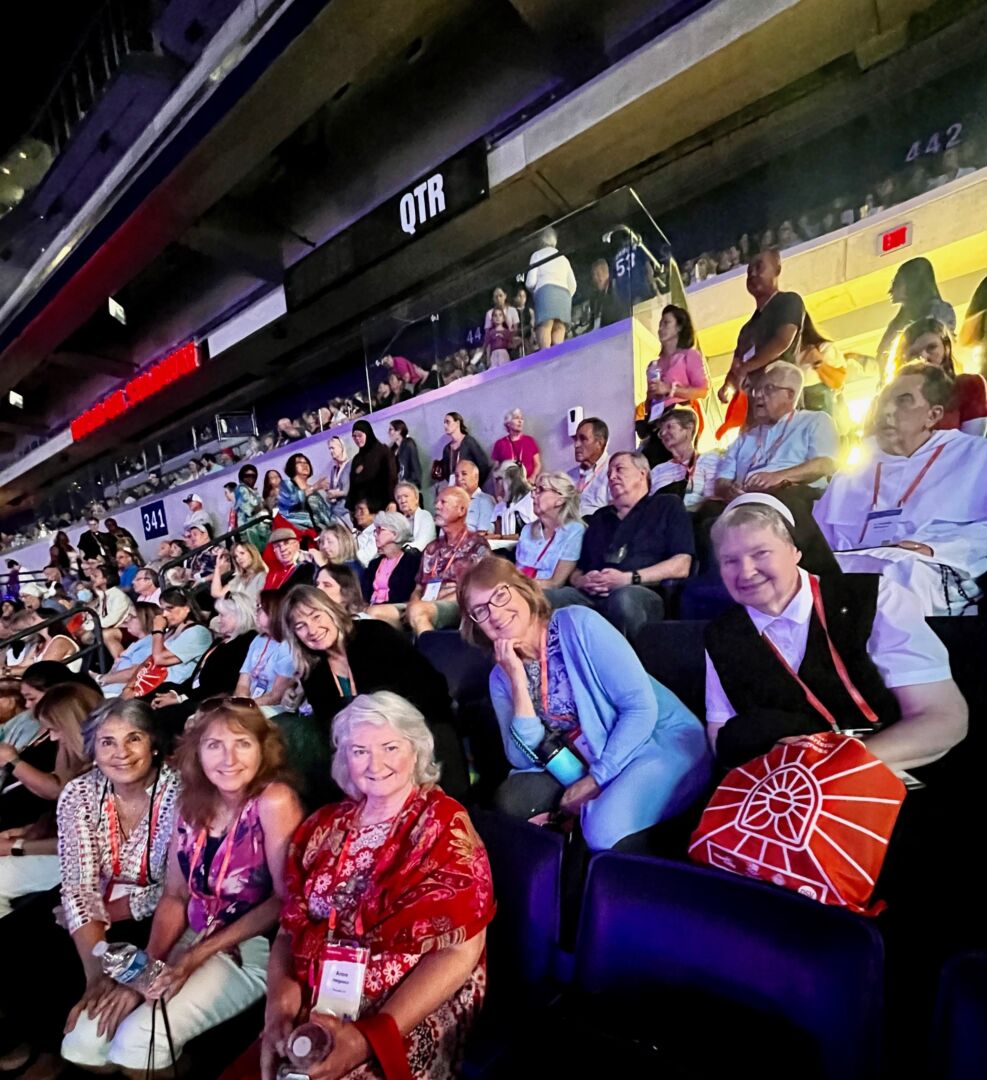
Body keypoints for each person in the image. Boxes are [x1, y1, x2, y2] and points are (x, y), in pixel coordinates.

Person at [228, 692, 493, 1080]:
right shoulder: (322, 827)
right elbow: (290, 928)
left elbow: (459, 951)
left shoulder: (443, 825)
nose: (376, 764)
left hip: (409, 1005)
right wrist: (278, 1005)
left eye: (390, 747)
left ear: (415, 752)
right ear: (345, 760)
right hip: (320, 996)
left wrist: (371, 1037)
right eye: (359, 751)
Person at [61, 698, 303, 1073]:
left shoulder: (273, 801)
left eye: (242, 743)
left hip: (247, 946)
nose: (229, 759)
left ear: (261, 749)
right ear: (197, 753)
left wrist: (193, 957)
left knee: (136, 1041)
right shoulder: (189, 803)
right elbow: (175, 895)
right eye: (214, 745)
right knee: (84, 1041)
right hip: (189, 932)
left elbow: (282, 900)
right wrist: (145, 972)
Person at [704, 495, 967, 772]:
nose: (745, 572)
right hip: (791, 788)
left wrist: (830, 767)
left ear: (795, 552)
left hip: (896, 772)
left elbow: (942, 719)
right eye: (730, 560)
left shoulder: (876, 598)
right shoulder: (722, 634)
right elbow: (721, 733)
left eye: (761, 553)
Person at [460, 559, 710, 850]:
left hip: (653, 741)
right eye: (480, 610)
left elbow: (640, 708)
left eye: (500, 595)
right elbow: (522, 757)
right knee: (515, 799)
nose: (495, 613)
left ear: (523, 589)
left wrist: (596, 780)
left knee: (601, 830)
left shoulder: (578, 624)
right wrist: (516, 678)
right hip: (586, 760)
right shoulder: (500, 677)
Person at [0, 700, 178, 1076]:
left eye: (134, 739)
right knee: (16, 939)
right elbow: (78, 883)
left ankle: (65, 1053)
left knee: (67, 959)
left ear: (154, 744)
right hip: (95, 896)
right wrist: (94, 969)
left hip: (156, 910)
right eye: (107, 742)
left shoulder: (178, 791)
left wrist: (111, 914)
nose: (121, 753)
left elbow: (175, 888)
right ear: (93, 749)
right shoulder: (79, 793)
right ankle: (39, 1043)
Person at [814, 363, 987, 616]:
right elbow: (819, 540)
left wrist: (936, 549)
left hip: (931, 567)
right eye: (883, 401)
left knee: (899, 575)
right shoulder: (853, 469)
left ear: (933, 415)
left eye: (904, 401)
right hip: (853, 566)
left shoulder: (975, 455)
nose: (887, 410)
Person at [280, 587, 469, 801]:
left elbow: (432, 690)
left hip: (419, 730)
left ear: (331, 611)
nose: (312, 629)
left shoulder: (375, 634)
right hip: (366, 751)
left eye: (316, 616)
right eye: (301, 626)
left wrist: (395, 738)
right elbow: (331, 729)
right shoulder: (312, 671)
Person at [552, 451, 694, 639]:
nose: (611, 476)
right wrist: (582, 581)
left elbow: (682, 564)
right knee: (546, 599)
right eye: (609, 473)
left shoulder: (666, 505)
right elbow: (577, 571)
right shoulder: (599, 517)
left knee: (623, 599)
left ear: (642, 474)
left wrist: (628, 578)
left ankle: (624, 666)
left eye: (619, 469)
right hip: (591, 594)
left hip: (641, 591)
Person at [713, 361, 839, 499]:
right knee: (708, 510)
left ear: (790, 394)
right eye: (756, 390)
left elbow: (825, 464)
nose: (758, 395)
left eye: (768, 389)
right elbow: (722, 480)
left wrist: (778, 477)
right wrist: (729, 490)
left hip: (791, 495)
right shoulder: (744, 438)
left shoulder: (814, 420)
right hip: (746, 499)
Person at [716, 249, 806, 427]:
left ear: (777, 270)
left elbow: (782, 341)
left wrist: (747, 366)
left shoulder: (789, 301)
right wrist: (727, 386)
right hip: (754, 413)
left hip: (781, 402)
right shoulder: (746, 329)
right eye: (749, 272)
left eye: (759, 267)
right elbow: (736, 368)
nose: (753, 274)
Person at [149, 592, 258, 736]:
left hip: (213, 699)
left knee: (169, 713)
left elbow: (221, 684)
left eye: (223, 616)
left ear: (239, 616)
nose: (218, 620)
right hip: (195, 692)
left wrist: (180, 698)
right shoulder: (220, 641)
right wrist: (175, 693)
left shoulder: (245, 642)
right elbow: (196, 675)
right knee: (160, 691)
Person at [0, 681, 100, 832]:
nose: (52, 738)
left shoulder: (105, 767)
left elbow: (57, 791)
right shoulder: (66, 747)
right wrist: (27, 832)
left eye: (55, 729)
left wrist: (18, 847)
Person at [405, 487, 492, 635]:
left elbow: (478, 588)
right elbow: (419, 588)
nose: (437, 506)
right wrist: (414, 602)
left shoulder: (477, 544)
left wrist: (424, 604)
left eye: (443, 502)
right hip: (424, 602)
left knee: (417, 611)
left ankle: (433, 657)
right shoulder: (431, 548)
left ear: (461, 510)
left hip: (458, 604)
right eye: (436, 502)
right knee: (377, 613)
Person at [894, 317, 987, 436]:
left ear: (946, 348)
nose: (923, 357)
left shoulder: (967, 385)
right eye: (914, 353)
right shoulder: (892, 400)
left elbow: (972, 442)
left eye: (931, 347)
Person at [876, 256, 957, 370]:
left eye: (896, 283)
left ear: (912, 283)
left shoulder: (939, 311)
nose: (890, 290)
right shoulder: (897, 323)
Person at [643, 305, 710, 433]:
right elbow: (648, 404)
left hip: (680, 416)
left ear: (679, 328)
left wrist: (670, 389)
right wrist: (650, 396)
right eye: (660, 324)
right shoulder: (653, 365)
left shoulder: (690, 355)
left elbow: (702, 390)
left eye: (666, 323)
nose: (660, 329)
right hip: (657, 421)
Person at [515, 472, 585, 587]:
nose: (532, 495)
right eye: (534, 489)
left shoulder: (574, 531)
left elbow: (556, 583)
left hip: (546, 594)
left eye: (541, 490)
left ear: (560, 499)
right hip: (519, 588)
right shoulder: (527, 530)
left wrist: (519, 585)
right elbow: (517, 571)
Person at [234, 591, 295, 715]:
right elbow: (243, 682)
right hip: (249, 703)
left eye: (259, 607)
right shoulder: (258, 640)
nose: (255, 612)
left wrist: (248, 705)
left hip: (273, 709)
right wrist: (241, 701)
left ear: (274, 611)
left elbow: (276, 696)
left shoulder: (288, 647)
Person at [649, 408, 719, 508]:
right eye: (661, 432)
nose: (663, 434)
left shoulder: (709, 460)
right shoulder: (657, 470)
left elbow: (712, 501)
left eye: (669, 427)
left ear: (689, 428)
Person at [526, 226, 577, 350]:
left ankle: (546, 360)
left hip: (545, 293)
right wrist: (565, 294)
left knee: (545, 328)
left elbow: (530, 282)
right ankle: (557, 361)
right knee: (559, 330)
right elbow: (573, 285)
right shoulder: (563, 258)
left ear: (540, 241)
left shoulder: (537, 255)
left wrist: (536, 292)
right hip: (564, 296)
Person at [98, 603, 161, 697]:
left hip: (118, 695)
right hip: (108, 691)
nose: (126, 620)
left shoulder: (149, 643)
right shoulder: (138, 644)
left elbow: (136, 672)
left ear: (145, 619)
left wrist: (100, 679)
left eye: (131, 616)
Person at [363, 511, 422, 610]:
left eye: (380, 530)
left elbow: (405, 595)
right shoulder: (374, 564)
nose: (375, 535)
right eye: (375, 531)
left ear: (395, 534)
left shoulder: (411, 562)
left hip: (397, 611)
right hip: (371, 611)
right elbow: (365, 596)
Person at [347, 420, 398, 515]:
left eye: (360, 435)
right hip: (363, 511)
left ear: (367, 434)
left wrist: (392, 501)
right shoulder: (357, 459)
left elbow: (391, 477)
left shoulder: (383, 451)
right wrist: (351, 508)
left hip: (382, 507)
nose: (357, 439)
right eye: (354, 436)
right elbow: (353, 486)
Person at [90, 563, 136, 660]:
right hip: (117, 627)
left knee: (106, 633)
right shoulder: (104, 596)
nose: (92, 578)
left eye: (96, 576)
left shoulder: (118, 596)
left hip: (130, 628)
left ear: (105, 580)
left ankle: (121, 662)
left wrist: (90, 625)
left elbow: (109, 621)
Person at [279, 453, 333, 532]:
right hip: (297, 535)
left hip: (317, 535)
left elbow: (325, 515)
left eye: (306, 463)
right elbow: (291, 501)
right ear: (291, 466)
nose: (304, 465)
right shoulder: (285, 485)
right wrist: (313, 488)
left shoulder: (315, 492)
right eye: (299, 463)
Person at [568, 417, 610, 517]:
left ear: (599, 443)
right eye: (575, 439)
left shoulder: (614, 470)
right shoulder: (569, 476)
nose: (576, 445)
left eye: (583, 439)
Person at [437, 412, 491, 486]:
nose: (445, 425)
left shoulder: (469, 441)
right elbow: (447, 473)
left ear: (457, 423)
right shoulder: (447, 449)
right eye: (444, 423)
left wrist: (475, 484)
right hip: (455, 489)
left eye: (448, 422)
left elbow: (483, 464)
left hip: (470, 488)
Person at [491, 407, 542, 482]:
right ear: (508, 423)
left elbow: (537, 464)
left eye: (522, 418)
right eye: (516, 418)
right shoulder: (500, 444)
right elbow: (496, 470)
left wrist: (533, 477)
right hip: (509, 487)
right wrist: (498, 490)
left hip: (528, 485)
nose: (520, 421)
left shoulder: (529, 441)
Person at [212, 540, 268, 607]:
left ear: (252, 553)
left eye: (242, 553)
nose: (239, 558)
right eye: (236, 556)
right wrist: (218, 567)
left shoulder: (262, 575)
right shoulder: (239, 578)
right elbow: (217, 593)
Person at [490, 461, 536, 539]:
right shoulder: (501, 506)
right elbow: (493, 530)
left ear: (510, 480)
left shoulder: (532, 500)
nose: (496, 484)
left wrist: (501, 537)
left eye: (499, 479)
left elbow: (531, 534)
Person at [265, 527, 319, 593]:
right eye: (277, 546)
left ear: (297, 544)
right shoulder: (273, 574)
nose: (282, 549)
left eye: (286, 543)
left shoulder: (309, 565)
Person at [233, 464, 271, 551]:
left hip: (261, 529)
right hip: (250, 531)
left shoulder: (253, 491)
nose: (250, 478)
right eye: (247, 476)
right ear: (241, 477)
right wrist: (265, 504)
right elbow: (249, 510)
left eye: (253, 476)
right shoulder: (241, 489)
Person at [456, 459, 496, 534]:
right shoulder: (454, 502)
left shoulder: (485, 500)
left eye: (464, 474)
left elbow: (482, 535)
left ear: (476, 477)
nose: (459, 479)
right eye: (456, 475)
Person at [586, 258, 628, 330]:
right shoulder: (596, 299)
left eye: (594, 275)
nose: (593, 280)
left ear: (600, 275)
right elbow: (593, 323)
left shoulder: (618, 289)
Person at [395, 481, 437, 551]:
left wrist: (399, 551)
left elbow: (422, 543)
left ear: (416, 499)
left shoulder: (425, 516)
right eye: (399, 498)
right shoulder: (398, 521)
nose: (402, 501)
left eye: (406, 496)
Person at [323, 435, 353, 523]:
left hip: (349, 510)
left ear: (341, 447)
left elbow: (355, 488)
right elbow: (333, 490)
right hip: (337, 513)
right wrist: (329, 496)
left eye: (333, 448)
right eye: (329, 449)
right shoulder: (333, 470)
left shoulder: (351, 465)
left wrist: (338, 494)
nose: (331, 451)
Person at [388, 419, 423, 491]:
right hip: (398, 488)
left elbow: (415, 466)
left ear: (399, 431)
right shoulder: (393, 449)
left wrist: (409, 482)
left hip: (409, 486)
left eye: (391, 429)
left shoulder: (408, 444)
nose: (389, 432)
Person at [352, 498, 377, 569]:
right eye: (356, 510)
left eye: (361, 510)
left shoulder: (377, 533)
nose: (356, 515)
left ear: (374, 513)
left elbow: (365, 558)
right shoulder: (358, 533)